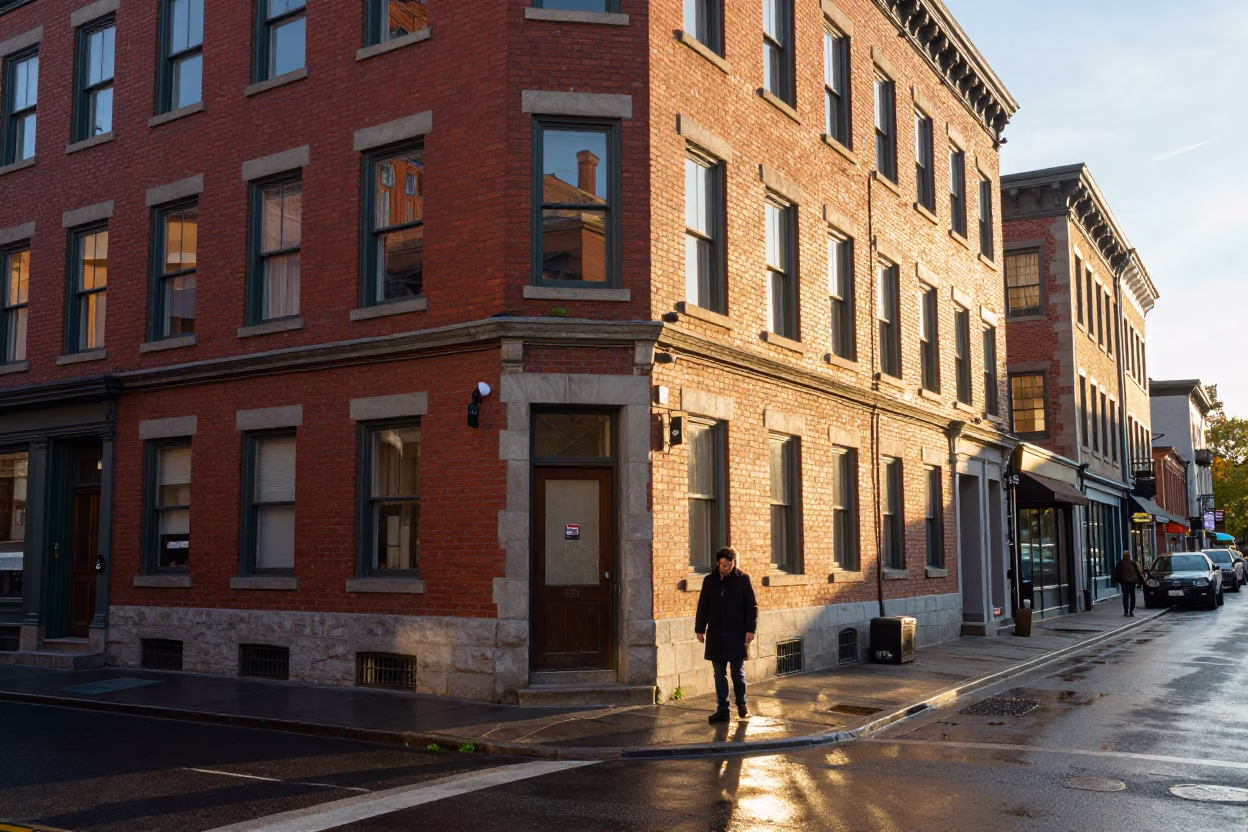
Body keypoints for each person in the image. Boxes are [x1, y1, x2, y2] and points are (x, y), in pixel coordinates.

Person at [695, 547, 758, 723]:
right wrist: (700, 630)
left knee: (737, 672)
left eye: (731, 565)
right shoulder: (709, 581)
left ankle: (742, 704)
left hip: (737, 634)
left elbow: (751, 606)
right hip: (715, 634)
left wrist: (750, 630)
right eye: (724, 565)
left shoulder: (742, 579)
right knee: (719, 673)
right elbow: (703, 606)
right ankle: (723, 710)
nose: (728, 568)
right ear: (718, 563)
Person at [1115, 550, 1143, 617]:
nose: (1129, 557)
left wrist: (1139, 581)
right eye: (1128, 556)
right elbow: (1117, 573)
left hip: (1129, 581)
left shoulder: (1130, 563)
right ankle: (1128, 611)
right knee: (1129, 596)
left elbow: (1137, 572)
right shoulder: (1122, 563)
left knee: (1128, 596)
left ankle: (1129, 611)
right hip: (1126, 581)